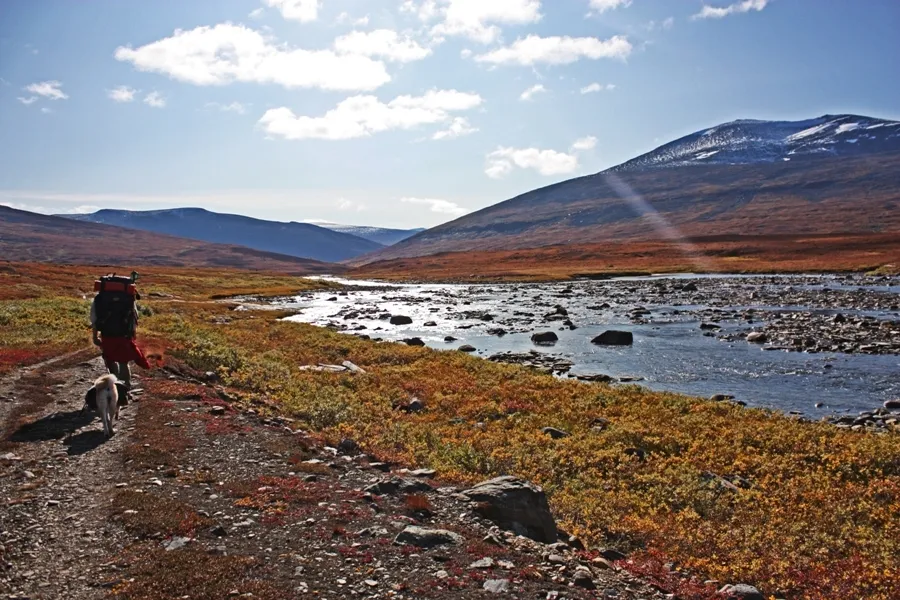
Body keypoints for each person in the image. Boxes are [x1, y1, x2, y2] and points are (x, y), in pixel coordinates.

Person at [90, 273, 151, 391]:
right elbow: (134, 317)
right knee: (123, 361)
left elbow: (94, 319)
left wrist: (95, 336)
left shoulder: (99, 299)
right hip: (124, 334)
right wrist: (133, 333)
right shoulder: (128, 299)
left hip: (107, 334)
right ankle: (125, 386)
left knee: (110, 359)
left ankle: (114, 384)